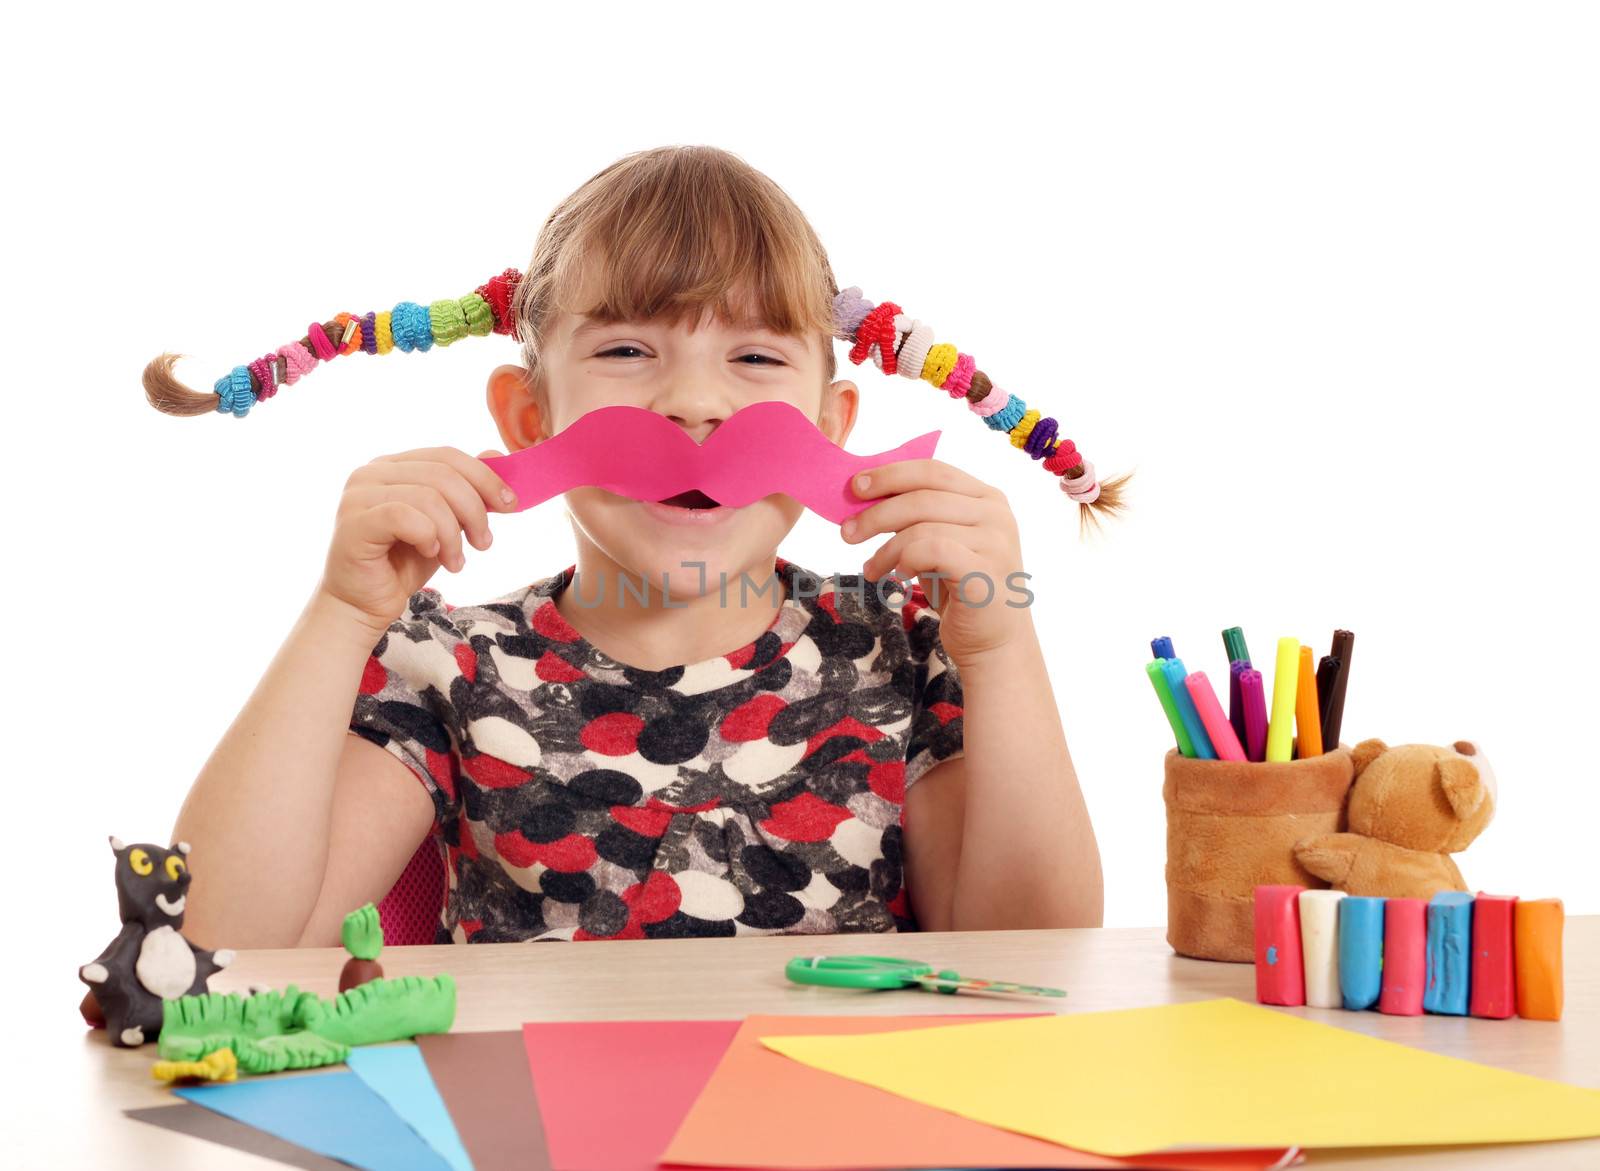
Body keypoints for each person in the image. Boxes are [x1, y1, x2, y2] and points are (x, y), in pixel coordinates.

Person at [144, 145, 1120, 947]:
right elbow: (217, 945)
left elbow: (1037, 959)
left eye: (753, 357)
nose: (694, 403)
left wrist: (1000, 647)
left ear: (833, 425)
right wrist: (339, 614)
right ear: (530, 419)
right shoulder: (439, 662)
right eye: (624, 350)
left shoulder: (904, 651)